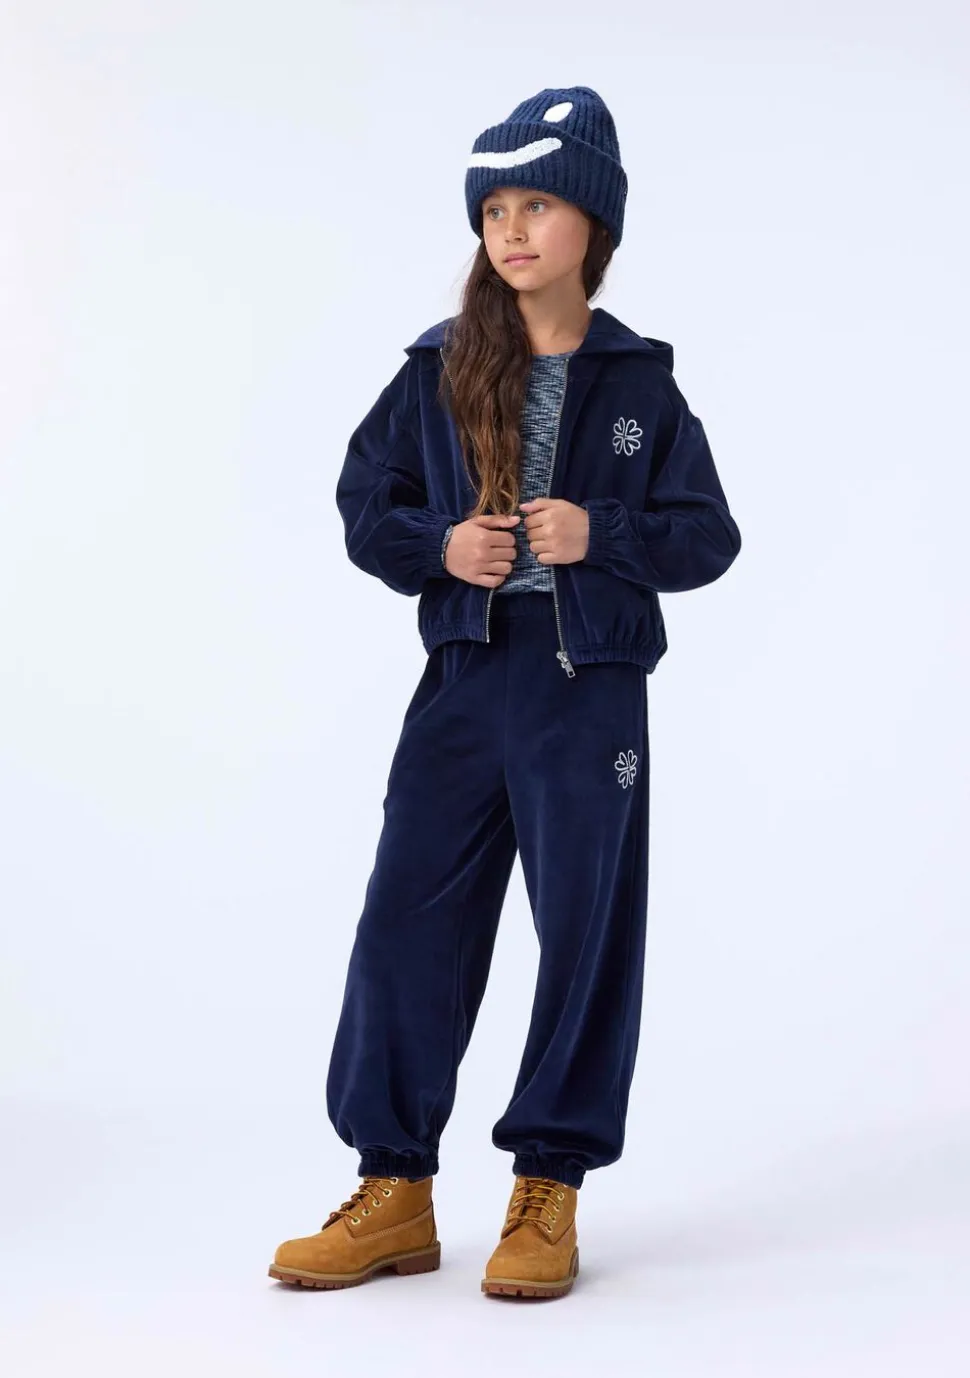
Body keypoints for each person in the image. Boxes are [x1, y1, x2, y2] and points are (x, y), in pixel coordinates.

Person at [268, 84, 741, 1300]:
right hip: (464, 677)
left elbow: (709, 536)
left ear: (593, 222)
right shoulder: (438, 367)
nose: (512, 230)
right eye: (494, 211)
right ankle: (394, 1186)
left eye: (537, 205)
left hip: (588, 689)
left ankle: (549, 1186)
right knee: (405, 919)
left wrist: (601, 534)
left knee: (585, 931)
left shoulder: (639, 383)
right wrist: (438, 547)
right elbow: (364, 501)